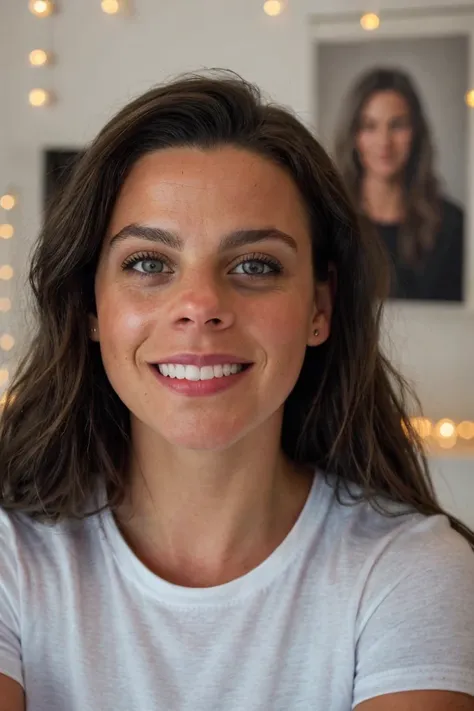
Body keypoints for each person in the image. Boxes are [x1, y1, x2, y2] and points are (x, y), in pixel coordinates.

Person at [0, 72, 473, 711]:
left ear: (320, 308)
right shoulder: (12, 558)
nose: (200, 305)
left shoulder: (413, 573)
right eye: (148, 263)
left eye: (255, 265)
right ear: (90, 305)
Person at [335, 67, 464, 301]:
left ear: (416, 133)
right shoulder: (330, 219)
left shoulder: (454, 226)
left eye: (397, 125)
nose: (384, 142)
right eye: (370, 126)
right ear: (354, 136)